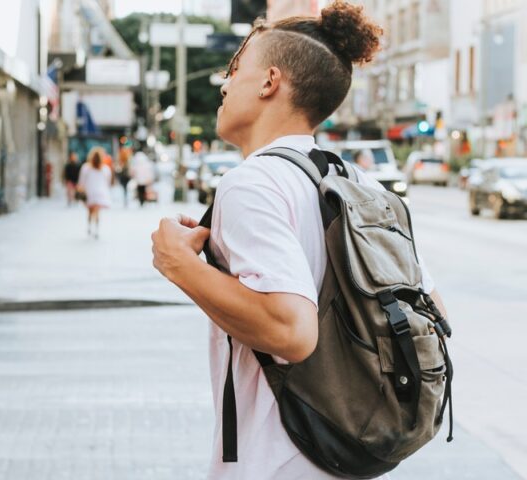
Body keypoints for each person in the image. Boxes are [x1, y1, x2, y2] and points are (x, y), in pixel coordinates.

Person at [151, 2, 448, 479]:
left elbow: (291, 332)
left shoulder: (252, 183)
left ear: (269, 82)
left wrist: (178, 265)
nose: (225, 84)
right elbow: (434, 316)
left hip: (277, 461)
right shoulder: (362, 185)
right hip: (345, 455)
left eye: (235, 69)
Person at [78, 146, 112, 238]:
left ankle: (89, 227)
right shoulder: (105, 169)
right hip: (100, 193)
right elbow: (108, 182)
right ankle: (96, 230)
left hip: (90, 193)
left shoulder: (85, 167)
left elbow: (81, 181)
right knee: (97, 212)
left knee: (90, 211)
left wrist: (81, 189)